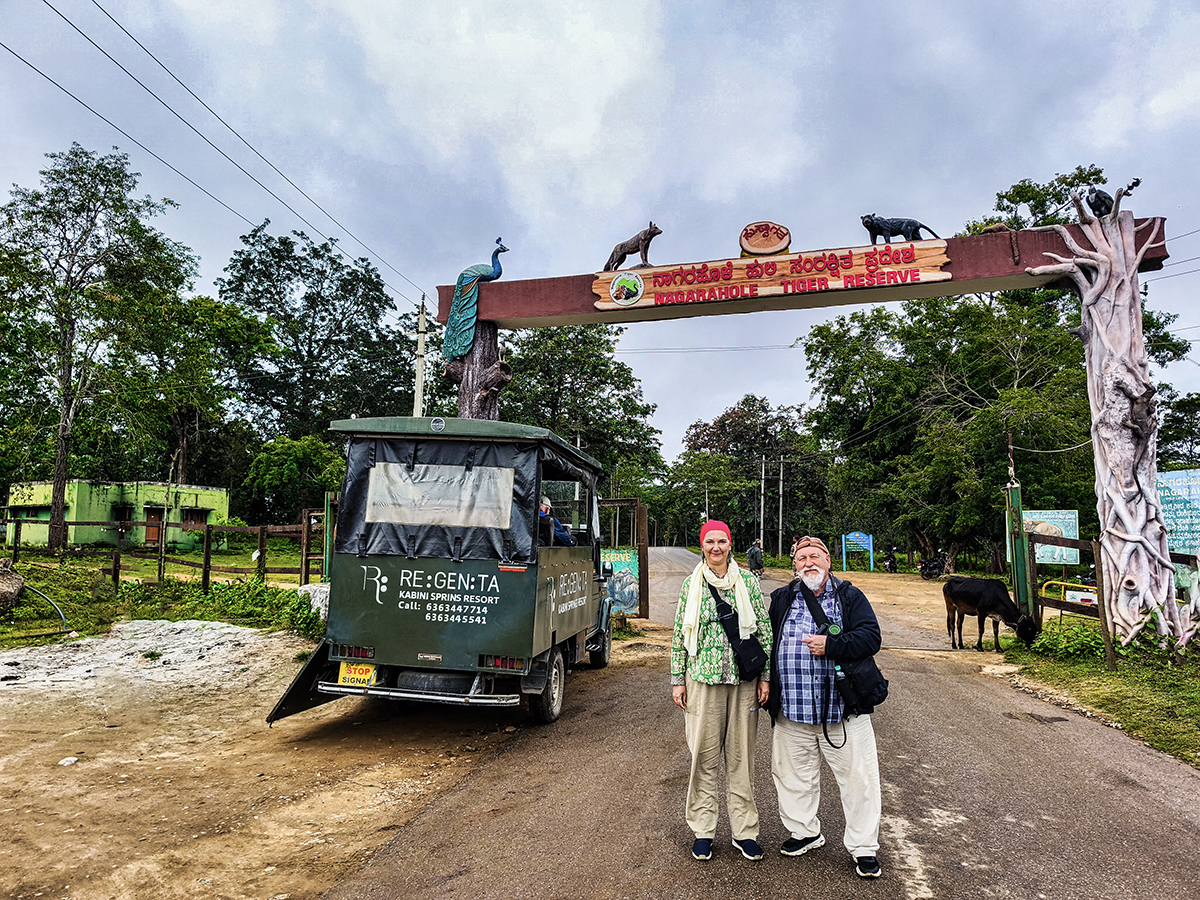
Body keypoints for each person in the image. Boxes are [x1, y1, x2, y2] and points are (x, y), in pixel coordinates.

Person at [766, 535, 883, 879]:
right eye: (802, 558)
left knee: (859, 781)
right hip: (793, 710)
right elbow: (767, 640)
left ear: (828, 561)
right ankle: (804, 832)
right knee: (792, 777)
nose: (809, 563)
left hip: (842, 711)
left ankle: (864, 847)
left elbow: (871, 637)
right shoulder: (782, 597)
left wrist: (832, 645)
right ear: (794, 565)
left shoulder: (849, 596)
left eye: (815, 556)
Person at [671, 520, 772, 863]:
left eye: (722, 541)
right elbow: (679, 634)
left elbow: (764, 631)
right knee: (704, 759)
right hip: (703, 680)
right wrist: (677, 679)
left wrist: (765, 677)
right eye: (710, 542)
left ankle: (745, 832)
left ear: (731, 545)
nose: (716, 547)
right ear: (702, 545)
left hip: (744, 683)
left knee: (742, 761)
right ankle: (703, 830)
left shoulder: (747, 582)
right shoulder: (692, 584)